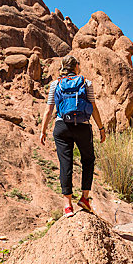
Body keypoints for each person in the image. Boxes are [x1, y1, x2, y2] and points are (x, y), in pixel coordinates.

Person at [39, 55, 106, 218]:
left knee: (65, 163)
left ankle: (68, 205)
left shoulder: (56, 84)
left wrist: (43, 130)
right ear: (76, 66)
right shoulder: (86, 83)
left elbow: (48, 110)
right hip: (83, 127)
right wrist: (101, 128)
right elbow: (94, 107)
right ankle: (84, 198)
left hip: (62, 127)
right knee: (88, 160)